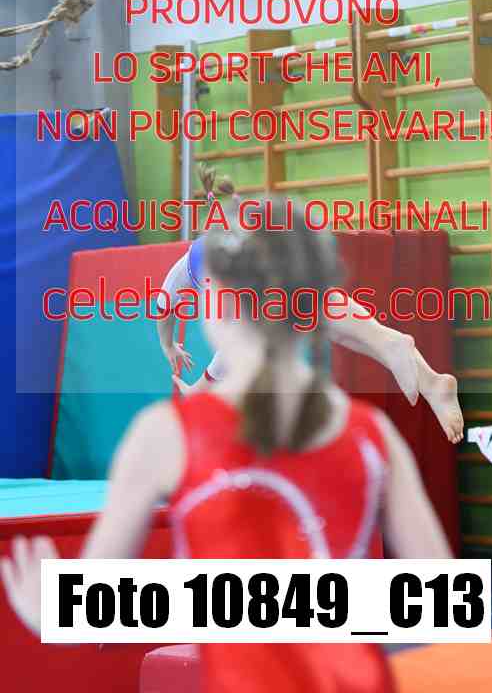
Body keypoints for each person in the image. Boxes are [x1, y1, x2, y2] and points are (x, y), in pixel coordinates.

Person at [2, 199, 452, 693]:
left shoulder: (163, 437)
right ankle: (396, 348)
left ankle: (393, 348)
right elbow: (441, 600)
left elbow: (95, 603)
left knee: (211, 387)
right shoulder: (374, 435)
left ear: (217, 305)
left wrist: (53, 609)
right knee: (338, 339)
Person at [158, 167, 463, 444]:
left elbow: (220, 347)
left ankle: (395, 347)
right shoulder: (203, 264)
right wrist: (169, 346)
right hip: (283, 256)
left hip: (273, 267)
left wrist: (197, 384)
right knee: (335, 323)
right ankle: (430, 381)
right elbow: (165, 310)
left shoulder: (215, 284)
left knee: (321, 315)